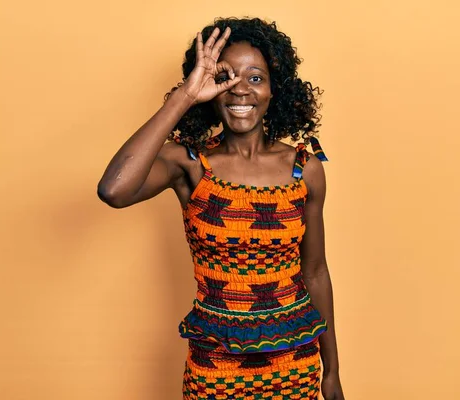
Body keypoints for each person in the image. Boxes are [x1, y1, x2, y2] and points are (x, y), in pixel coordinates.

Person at [97, 17, 344, 400]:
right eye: (227, 77)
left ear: (275, 90)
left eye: (256, 78)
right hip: (216, 370)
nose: (240, 90)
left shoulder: (304, 168)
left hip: (295, 365)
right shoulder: (190, 163)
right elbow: (114, 189)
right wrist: (185, 96)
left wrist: (332, 374)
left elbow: (315, 272)